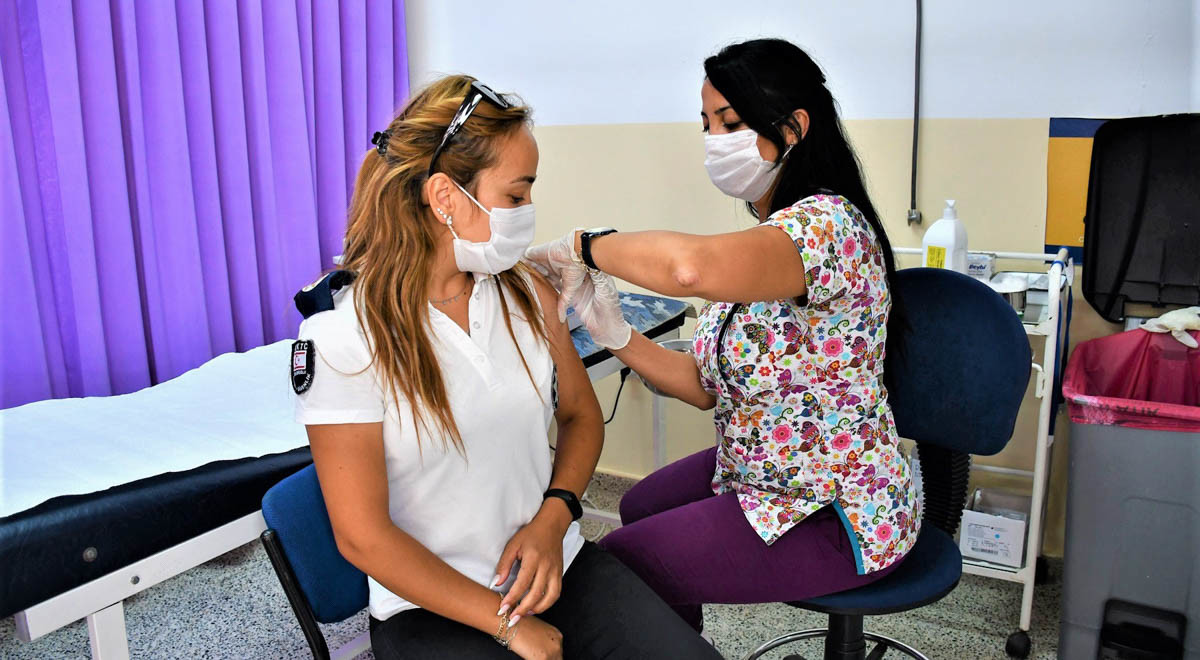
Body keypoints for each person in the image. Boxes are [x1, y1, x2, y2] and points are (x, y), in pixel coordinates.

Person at [293, 75, 721, 660]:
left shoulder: (525, 293)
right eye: (516, 196)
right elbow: (361, 537)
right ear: (445, 198)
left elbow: (580, 417)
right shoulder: (344, 338)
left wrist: (555, 515)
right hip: (432, 605)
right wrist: (506, 625)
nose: (527, 213)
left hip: (556, 565)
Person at [525, 39, 922, 633]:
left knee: (622, 565)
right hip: (766, 466)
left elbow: (689, 270)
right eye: (707, 124)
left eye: (730, 123)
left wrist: (582, 247)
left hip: (833, 505)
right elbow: (704, 387)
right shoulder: (771, 239)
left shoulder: (827, 226)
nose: (714, 140)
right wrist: (615, 333)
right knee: (636, 507)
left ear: (792, 129)